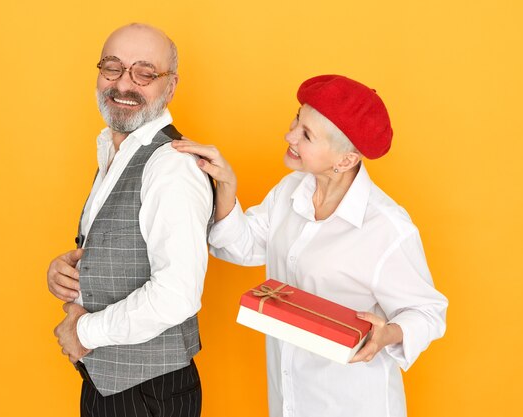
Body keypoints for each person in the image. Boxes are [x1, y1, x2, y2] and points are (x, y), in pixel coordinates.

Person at [172, 74, 448, 417]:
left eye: (306, 135)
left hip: (353, 404)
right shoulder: (290, 191)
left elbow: (429, 312)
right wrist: (226, 184)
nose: (289, 135)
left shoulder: (386, 228)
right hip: (289, 399)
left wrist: (388, 334)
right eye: (296, 120)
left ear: (345, 160)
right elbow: (241, 246)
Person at [47, 23, 213, 417]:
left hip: (147, 391)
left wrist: (83, 332)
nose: (124, 84)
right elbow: (116, 247)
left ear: (170, 86)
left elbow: (177, 294)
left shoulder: (171, 167)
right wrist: (67, 273)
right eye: (113, 67)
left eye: (144, 73)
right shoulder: (114, 150)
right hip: (112, 384)